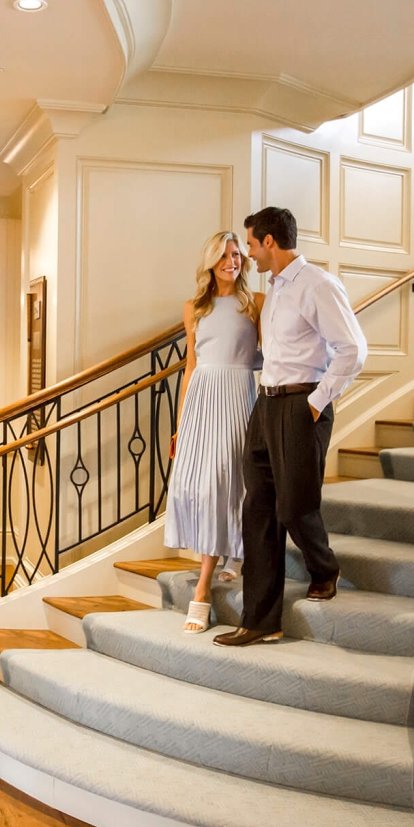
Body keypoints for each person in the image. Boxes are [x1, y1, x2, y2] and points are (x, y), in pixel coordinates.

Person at [213, 206, 367, 648]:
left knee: (293, 506)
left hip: (303, 404)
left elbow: (352, 349)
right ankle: (260, 621)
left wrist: (317, 403)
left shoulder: (317, 284)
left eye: (252, 245)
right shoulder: (275, 290)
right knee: (258, 507)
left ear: (270, 243)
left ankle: (325, 567)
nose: (248, 254)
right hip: (266, 404)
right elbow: (279, 351)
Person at [165, 231, 264, 633]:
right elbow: (190, 366)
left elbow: (271, 355)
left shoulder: (255, 303)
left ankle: (203, 588)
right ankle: (227, 556)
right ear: (211, 261)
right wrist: (180, 421)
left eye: (237, 254)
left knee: (234, 480)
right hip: (202, 400)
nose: (232, 261)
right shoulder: (194, 308)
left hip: (239, 394)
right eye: (224, 255)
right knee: (202, 486)